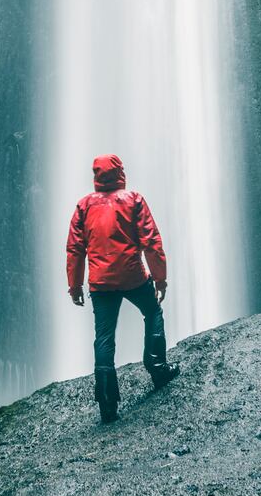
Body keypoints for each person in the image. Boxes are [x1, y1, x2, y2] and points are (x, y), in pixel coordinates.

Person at [65, 153, 178, 423]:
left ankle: (107, 402)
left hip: (101, 283)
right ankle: (158, 367)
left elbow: (74, 249)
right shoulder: (133, 200)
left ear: (96, 176)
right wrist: (160, 279)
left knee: (104, 338)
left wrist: (74, 285)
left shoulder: (84, 206)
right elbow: (151, 241)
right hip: (133, 277)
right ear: (120, 173)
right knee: (152, 312)